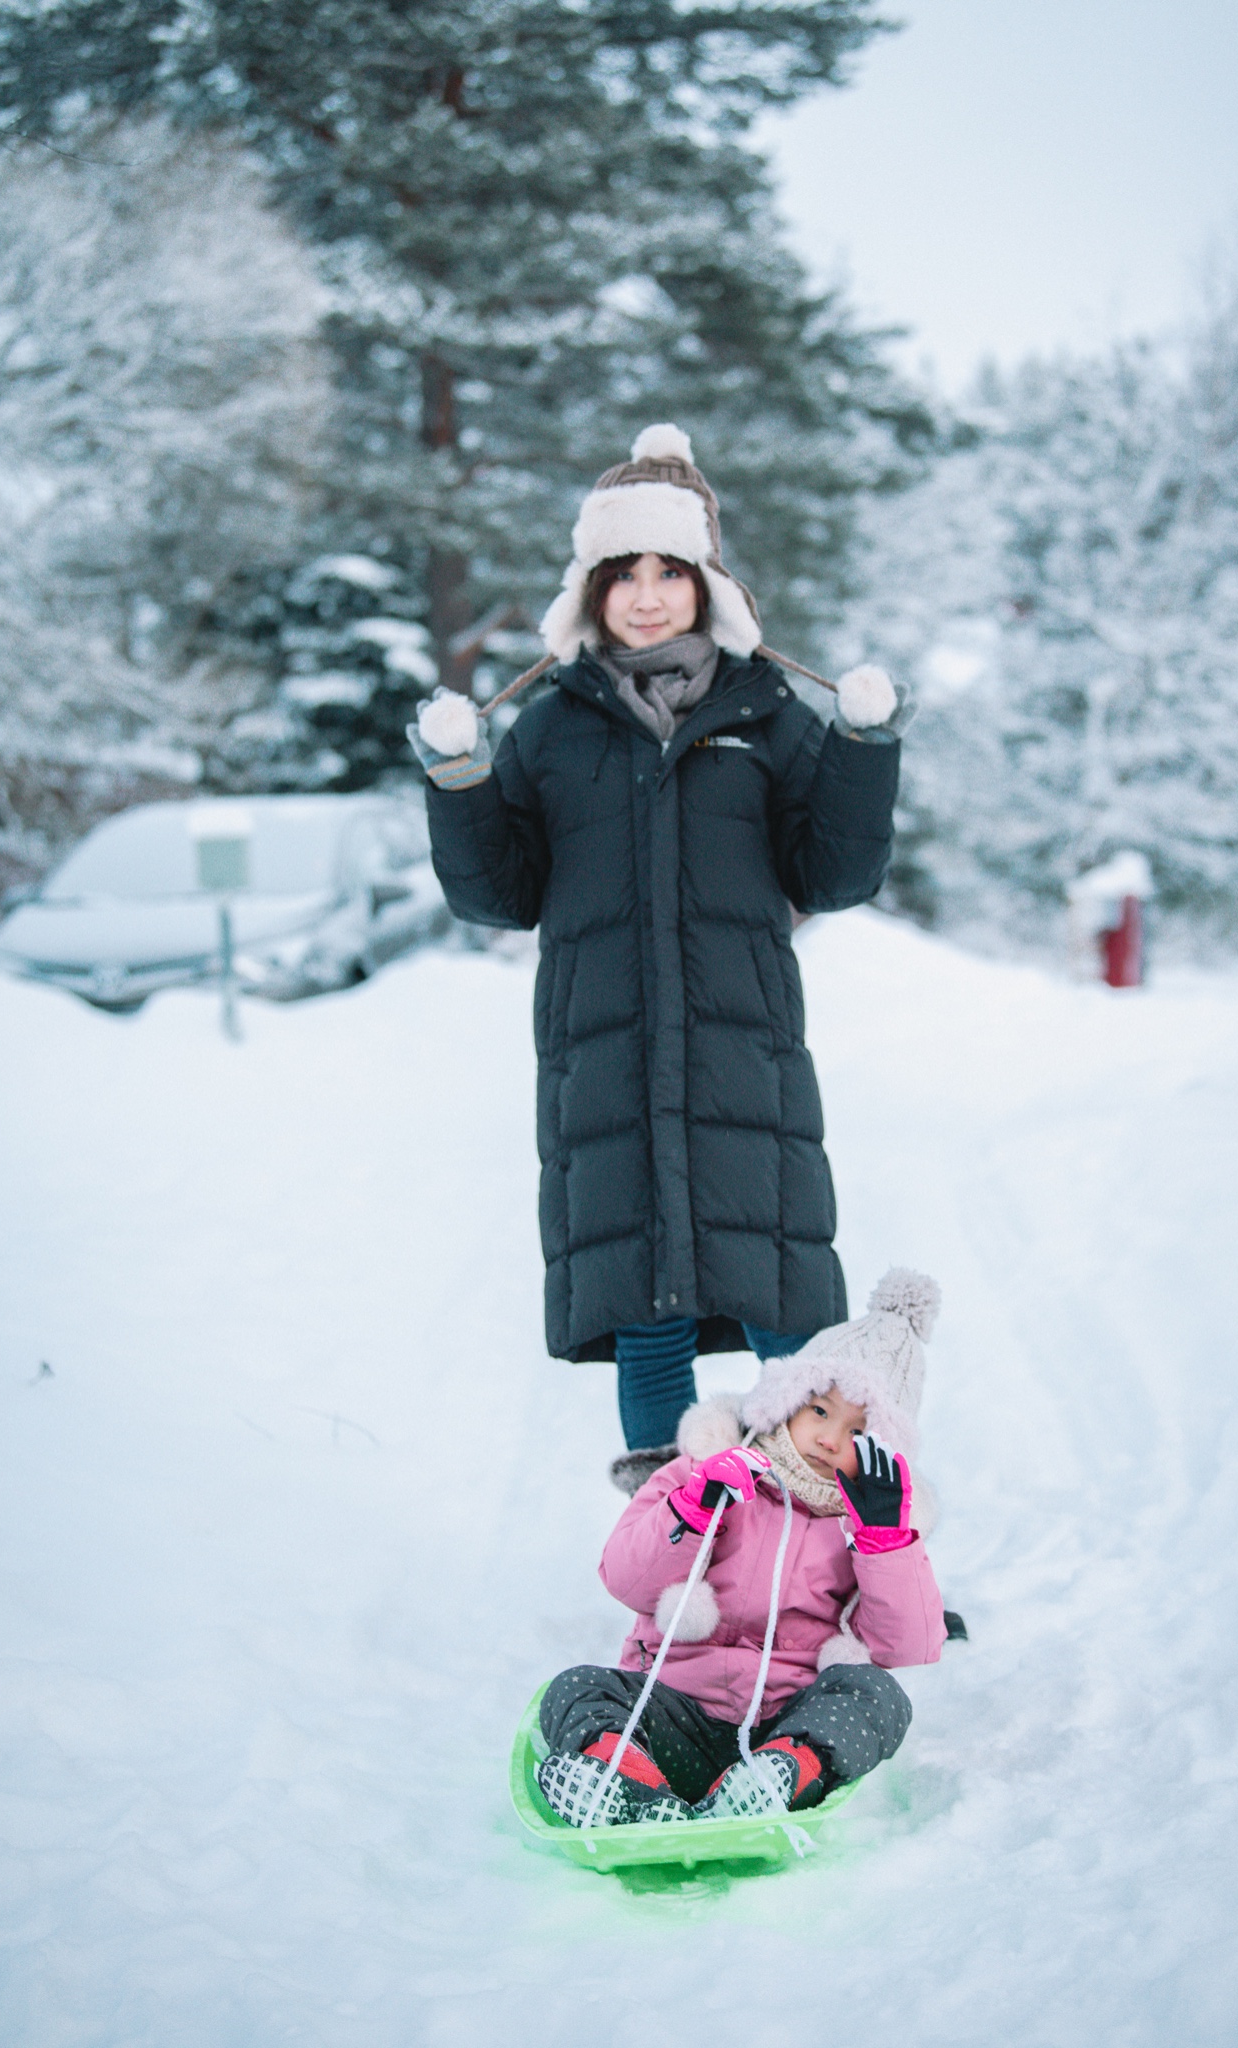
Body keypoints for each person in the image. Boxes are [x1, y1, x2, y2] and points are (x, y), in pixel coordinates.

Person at [412, 424, 912, 1489]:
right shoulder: (550, 726)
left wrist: (865, 753)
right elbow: (496, 891)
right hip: (607, 1061)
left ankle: (809, 1531)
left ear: (704, 583)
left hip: (743, 1053)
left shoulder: (766, 713)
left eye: (668, 572)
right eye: (621, 573)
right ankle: (678, 1543)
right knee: (647, 1306)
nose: (645, 596)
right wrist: (458, 781)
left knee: (781, 1295)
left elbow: (832, 873)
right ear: (589, 589)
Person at [536, 1270, 947, 1826]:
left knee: (878, 1695)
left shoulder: (874, 1523)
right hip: (674, 1711)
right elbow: (625, 1578)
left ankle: (777, 1780)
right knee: (577, 1688)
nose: (830, 1439)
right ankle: (627, 1786)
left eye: (856, 1431)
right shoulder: (704, 1472)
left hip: (784, 1724)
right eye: (820, 1412)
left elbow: (910, 1645)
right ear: (788, 1401)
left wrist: (885, 1540)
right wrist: (696, 1507)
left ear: (881, 1446)